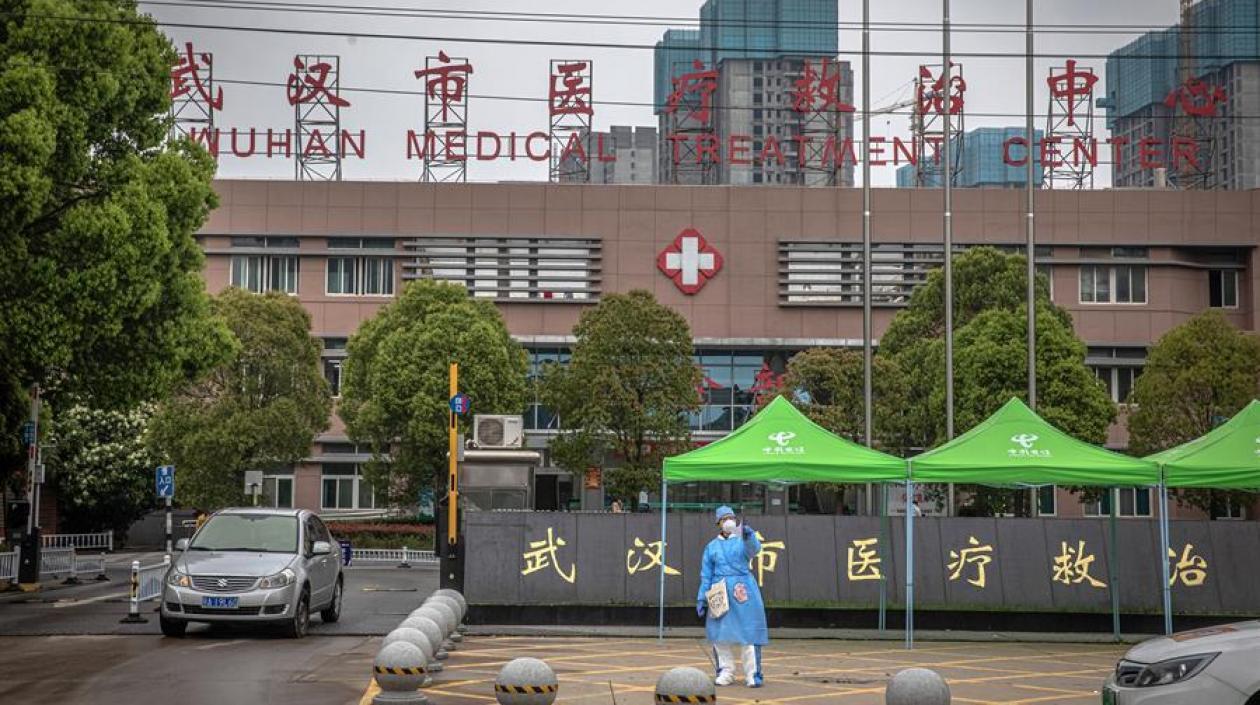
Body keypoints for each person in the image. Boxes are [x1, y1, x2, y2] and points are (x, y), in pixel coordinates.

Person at [696, 505, 767, 688]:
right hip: (719, 590)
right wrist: (702, 597)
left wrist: (750, 536)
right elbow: (706, 574)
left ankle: (753, 674)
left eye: (731, 517)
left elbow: (754, 550)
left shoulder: (742, 541)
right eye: (725, 518)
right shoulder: (711, 547)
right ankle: (725, 672)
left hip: (743, 589)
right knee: (719, 634)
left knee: (748, 633)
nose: (729, 521)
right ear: (718, 523)